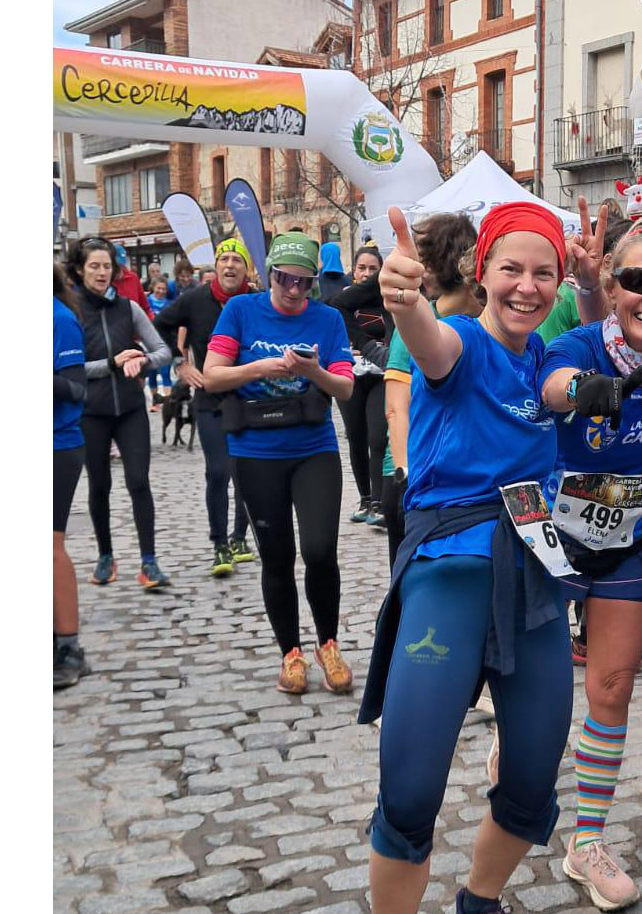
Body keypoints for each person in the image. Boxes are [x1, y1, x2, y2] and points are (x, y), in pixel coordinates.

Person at [335, 202, 578, 914]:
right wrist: (405, 300)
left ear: (558, 283)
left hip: (535, 585)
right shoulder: (463, 343)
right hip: (450, 576)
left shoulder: (545, 353)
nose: (526, 284)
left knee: (536, 775)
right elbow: (430, 343)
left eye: (542, 271)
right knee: (409, 784)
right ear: (482, 271)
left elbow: (567, 382)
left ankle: (478, 903)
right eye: (512, 268)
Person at [535, 214, 642, 911]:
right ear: (612, 283)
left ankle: (588, 843)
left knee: (612, 688)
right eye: (636, 281)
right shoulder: (578, 341)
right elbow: (552, 385)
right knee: (537, 697)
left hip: (631, 536)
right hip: (555, 534)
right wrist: (585, 391)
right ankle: (522, 755)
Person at [205, 232, 359, 694]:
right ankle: (290, 652)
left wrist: (313, 371)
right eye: (284, 279)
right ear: (268, 273)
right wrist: (258, 369)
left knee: (318, 551)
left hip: (313, 448)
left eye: (303, 283)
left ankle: (328, 644)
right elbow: (213, 377)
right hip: (256, 451)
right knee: (277, 557)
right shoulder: (241, 311)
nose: (293, 291)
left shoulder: (328, 318)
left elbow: (346, 388)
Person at [66, 238, 174, 591]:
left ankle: (149, 562)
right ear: (80, 270)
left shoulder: (129, 308)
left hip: (129, 409)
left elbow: (163, 351)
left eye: (106, 266)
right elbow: (70, 369)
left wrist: (142, 360)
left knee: (139, 482)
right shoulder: (70, 312)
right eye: (94, 266)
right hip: (91, 412)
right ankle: (105, 556)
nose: (101, 272)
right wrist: (110, 365)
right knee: (99, 485)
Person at [379, 216, 483, 558]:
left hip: (466, 482)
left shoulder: (490, 321)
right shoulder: (416, 322)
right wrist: (407, 473)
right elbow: (396, 409)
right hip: (415, 478)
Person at [154, 238, 259, 578]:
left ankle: (241, 537)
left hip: (249, 399)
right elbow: (159, 326)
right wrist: (179, 363)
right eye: (223, 259)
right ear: (215, 265)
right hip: (210, 401)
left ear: (247, 268)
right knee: (218, 471)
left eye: (236, 260)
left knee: (246, 473)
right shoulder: (196, 299)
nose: (229, 265)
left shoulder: (256, 302)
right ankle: (219, 543)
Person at [331, 243, 392, 526]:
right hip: (351, 373)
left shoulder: (388, 297)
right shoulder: (343, 300)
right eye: (362, 268)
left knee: (377, 437)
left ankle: (380, 502)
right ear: (353, 271)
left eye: (373, 269)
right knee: (356, 437)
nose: (367, 273)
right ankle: (365, 498)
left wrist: (379, 349)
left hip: (381, 374)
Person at [54, 262, 92, 688]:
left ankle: (69, 646)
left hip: (57, 443)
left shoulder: (60, 320)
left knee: (49, 545)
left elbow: (75, 387)